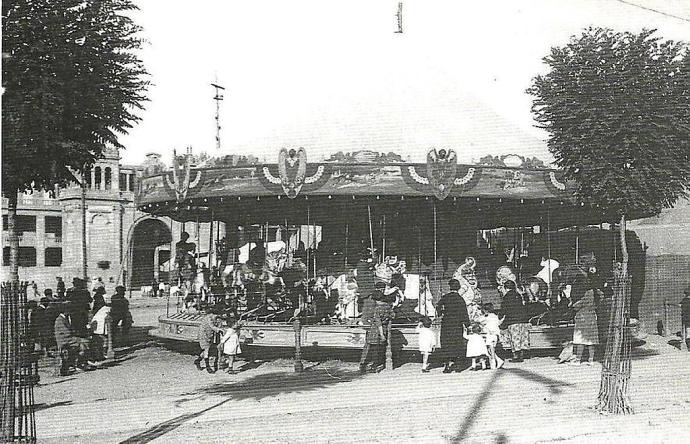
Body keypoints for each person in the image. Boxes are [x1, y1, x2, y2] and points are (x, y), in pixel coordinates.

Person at [436, 279, 470, 373]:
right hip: (457, 325)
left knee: (446, 344)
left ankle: (447, 366)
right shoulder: (460, 299)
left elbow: (438, 306)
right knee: (457, 344)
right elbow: (464, 313)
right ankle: (458, 366)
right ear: (458, 287)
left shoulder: (445, 297)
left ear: (450, 287)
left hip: (446, 324)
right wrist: (467, 324)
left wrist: (441, 313)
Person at [359, 287, 393, 374]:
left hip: (374, 330)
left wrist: (381, 334)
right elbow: (393, 315)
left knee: (371, 347)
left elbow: (378, 322)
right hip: (384, 329)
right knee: (378, 349)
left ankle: (365, 365)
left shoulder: (377, 308)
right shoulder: (388, 306)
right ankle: (375, 365)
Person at [54, 303, 95, 373]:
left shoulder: (64, 318)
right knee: (84, 342)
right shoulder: (60, 320)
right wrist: (75, 335)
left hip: (68, 339)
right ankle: (80, 363)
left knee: (84, 342)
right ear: (65, 310)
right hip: (64, 340)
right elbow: (66, 333)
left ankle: (81, 362)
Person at [500, 279, 530, 363]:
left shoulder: (506, 297)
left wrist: (500, 317)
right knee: (522, 336)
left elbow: (504, 309)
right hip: (523, 319)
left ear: (506, 288)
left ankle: (517, 356)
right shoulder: (518, 295)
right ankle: (524, 353)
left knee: (515, 337)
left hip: (513, 320)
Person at [481, 303, 505, 370]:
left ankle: (494, 363)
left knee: (491, 349)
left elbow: (479, 320)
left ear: (486, 310)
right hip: (495, 334)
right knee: (490, 349)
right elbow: (498, 323)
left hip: (490, 334)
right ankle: (498, 360)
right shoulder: (495, 316)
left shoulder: (487, 317)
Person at [681, 286, 690, 352]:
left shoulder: (684, 300)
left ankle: (688, 347)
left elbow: (680, 305)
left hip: (686, 318)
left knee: (688, 332)